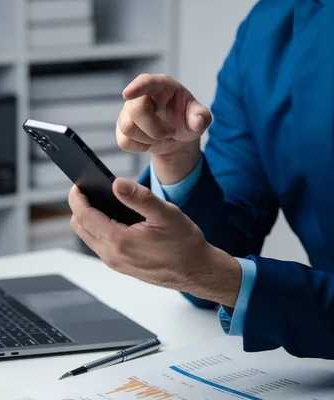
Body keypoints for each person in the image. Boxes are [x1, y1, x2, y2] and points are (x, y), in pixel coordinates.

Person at [68, 0, 334, 359]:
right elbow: (224, 250)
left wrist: (219, 277)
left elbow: (218, 272)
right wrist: (174, 156)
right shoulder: (268, 30)